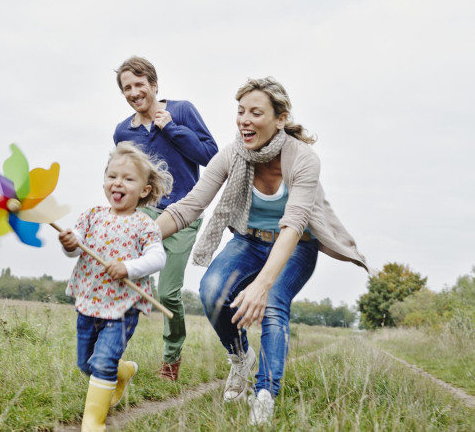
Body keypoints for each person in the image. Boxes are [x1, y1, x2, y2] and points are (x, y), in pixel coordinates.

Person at [155, 77, 371, 425]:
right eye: (240, 111)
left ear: (280, 119)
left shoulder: (303, 159)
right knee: (212, 292)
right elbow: (190, 206)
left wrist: (262, 284)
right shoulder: (232, 154)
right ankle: (240, 357)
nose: (244, 119)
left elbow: (294, 223)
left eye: (256, 112)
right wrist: (137, 236)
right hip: (249, 240)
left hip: (296, 245)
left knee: (273, 304)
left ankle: (265, 394)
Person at [113, 56, 218, 381]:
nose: (134, 92)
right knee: (121, 280)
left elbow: (211, 156)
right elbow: (123, 178)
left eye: (139, 84)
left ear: (154, 85)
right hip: (143, 215)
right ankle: (109, 355)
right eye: (127, 88)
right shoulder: (122, 132)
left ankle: (171, 359)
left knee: (168, 293)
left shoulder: (183, 110)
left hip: (184, 213)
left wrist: (170, 128)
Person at [59, 141, 173, 431]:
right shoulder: (91, 216)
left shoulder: (144, 225)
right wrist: (70, 243)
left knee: (102, 362)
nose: (117, 183)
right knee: (86, 364)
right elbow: (74, 249)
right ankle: (122, 371)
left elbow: (157, 257)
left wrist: (128, 267)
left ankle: (93, 423)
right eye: (112, 176)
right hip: (89, 301)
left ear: (144, 190)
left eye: (128, 178)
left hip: (123, 308)